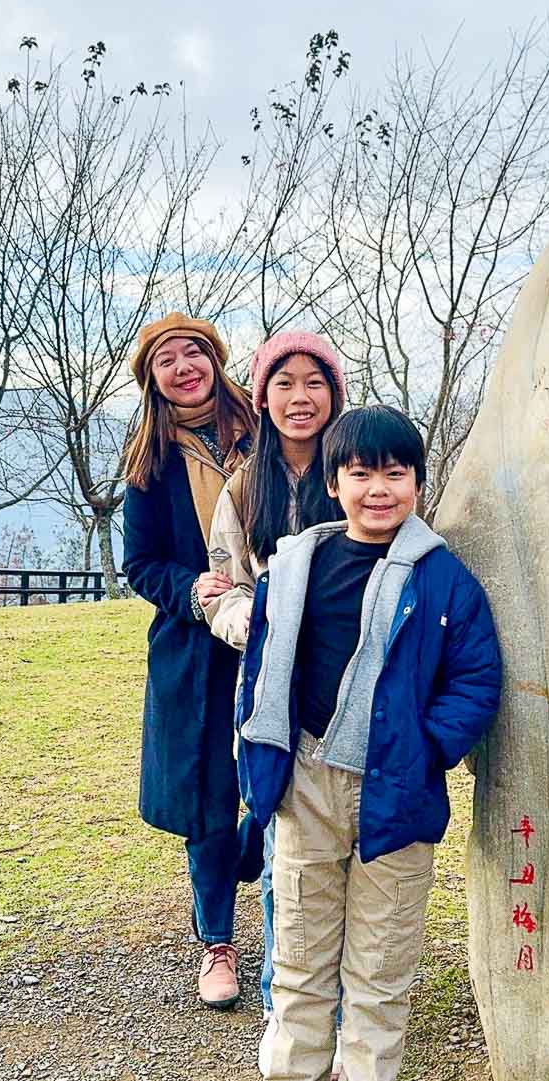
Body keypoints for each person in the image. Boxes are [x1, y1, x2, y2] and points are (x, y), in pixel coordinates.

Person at [236, 405, 503, 1081]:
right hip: (306, 779)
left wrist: (426, 748)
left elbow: (476, 675)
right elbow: (261, 667)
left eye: (395, 472)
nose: (378, 488)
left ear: (418, 482)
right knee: (299, 957)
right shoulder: (296, 566)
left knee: (380, 968)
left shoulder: (443, 577)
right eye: (361, 472)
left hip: (398, 793)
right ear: (333, 483)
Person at [203, 332, 348, 1027]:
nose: (299, 397)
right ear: (262, 397)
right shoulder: (242, 487)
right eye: (284, 383)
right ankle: (284, 1005)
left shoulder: (355, 471)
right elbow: (218, 588)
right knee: (279, 839)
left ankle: (345, 1001)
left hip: (352, 688)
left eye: (313, 382)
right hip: (267, 692)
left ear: (334, 394)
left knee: (344, 843)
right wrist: (260, 620)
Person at [120, 313, 258, 1010]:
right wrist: (189, 587)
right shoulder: (149, 458)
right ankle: (218, 943)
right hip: (196, 644)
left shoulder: (263, 426)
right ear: (154, 379)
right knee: (207, 794)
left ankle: (261, 871)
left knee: (277, 778)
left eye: (193, 352)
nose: (183, 365)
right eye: (166, 360)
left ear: (214, 359)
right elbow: (139, 563)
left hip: (278, 629)